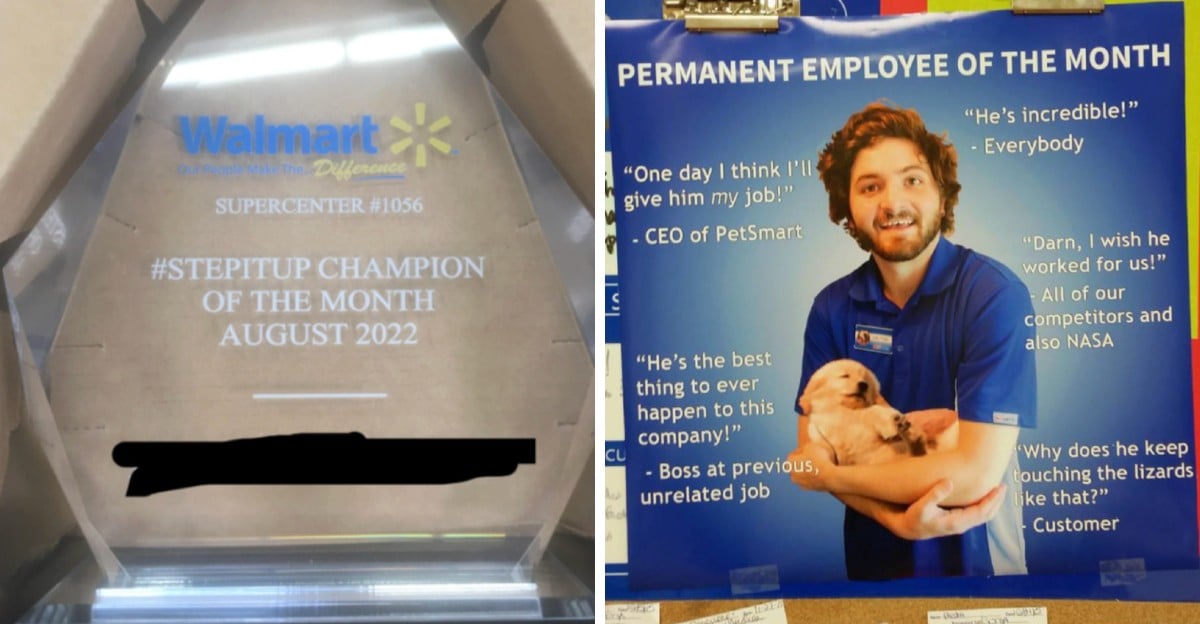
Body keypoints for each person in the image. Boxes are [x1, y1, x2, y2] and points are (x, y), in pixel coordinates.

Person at [788, 102, 1036, 580]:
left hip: (981, 570)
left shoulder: (993, 295)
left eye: (912, 180)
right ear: (847, 206)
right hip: (872, 574)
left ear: (942, 195)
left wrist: (834, 475)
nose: (892, 203)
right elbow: (811, 451)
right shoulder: (831, 309)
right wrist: (896, 522)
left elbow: (972, 475)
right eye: (870, 186)